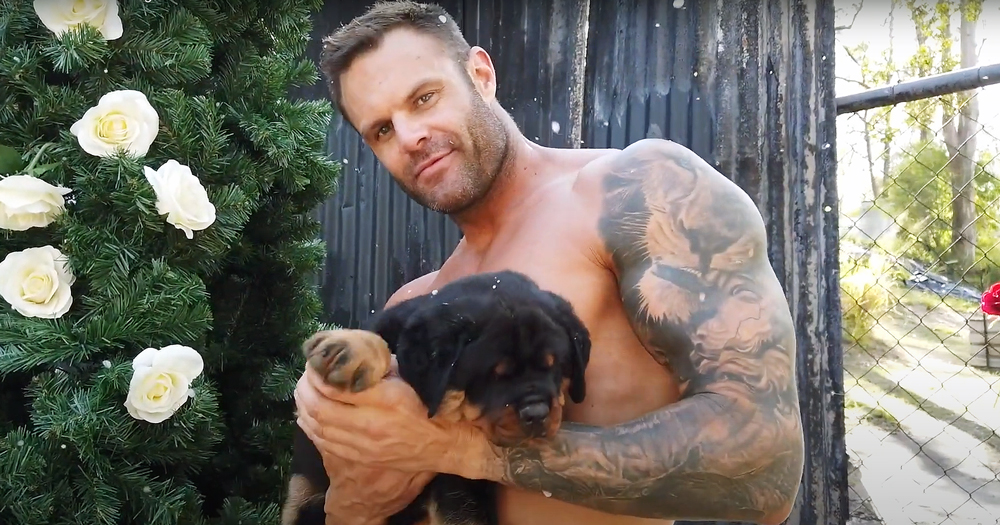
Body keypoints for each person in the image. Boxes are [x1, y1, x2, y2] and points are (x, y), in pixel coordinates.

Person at [293, 2, 805, 525]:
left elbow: (767, 469)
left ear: (480, 74)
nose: (409, 136)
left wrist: (458, 449)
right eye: (381, 130)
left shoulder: (637, 194)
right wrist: (349, 501)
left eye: (424, 98)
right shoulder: (413, 307)